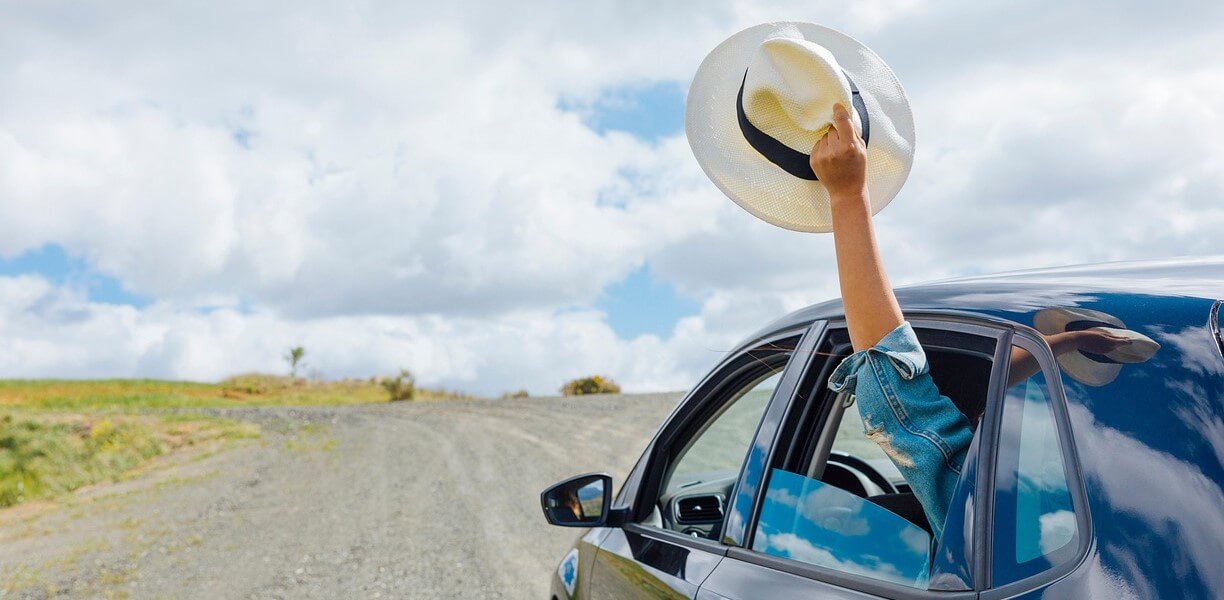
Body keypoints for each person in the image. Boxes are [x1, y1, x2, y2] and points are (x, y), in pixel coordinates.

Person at [810, 104, 1131, 540]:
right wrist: (1061, 343)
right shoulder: (1089, 504)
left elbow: (891, 376)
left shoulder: (976, 503)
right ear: (981, 409)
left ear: (971, 416)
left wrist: (847, 197)